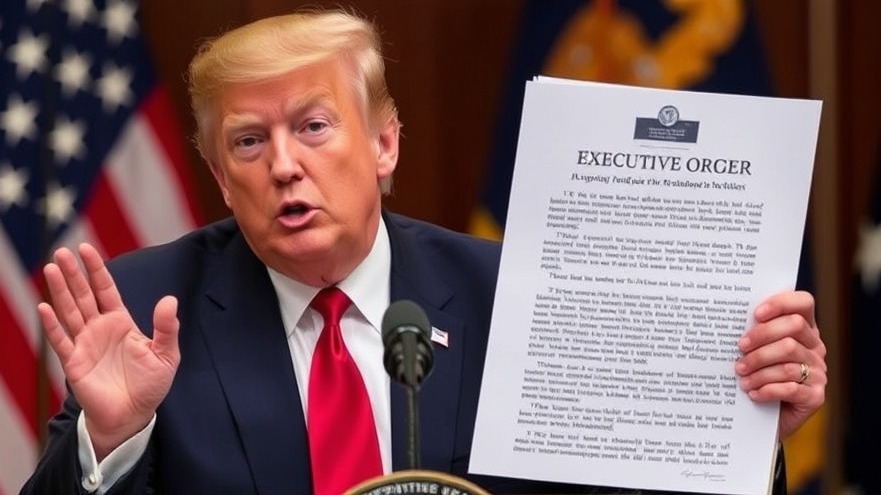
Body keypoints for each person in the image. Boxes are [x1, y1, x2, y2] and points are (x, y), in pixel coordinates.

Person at [20, 8, 827, 495]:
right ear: (221, 179)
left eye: (312, 125)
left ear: (383, 143)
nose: (285, 164)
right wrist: (111, 437)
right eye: (247, 140)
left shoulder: (514, 297)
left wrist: (743, 437)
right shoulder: (148, 307)